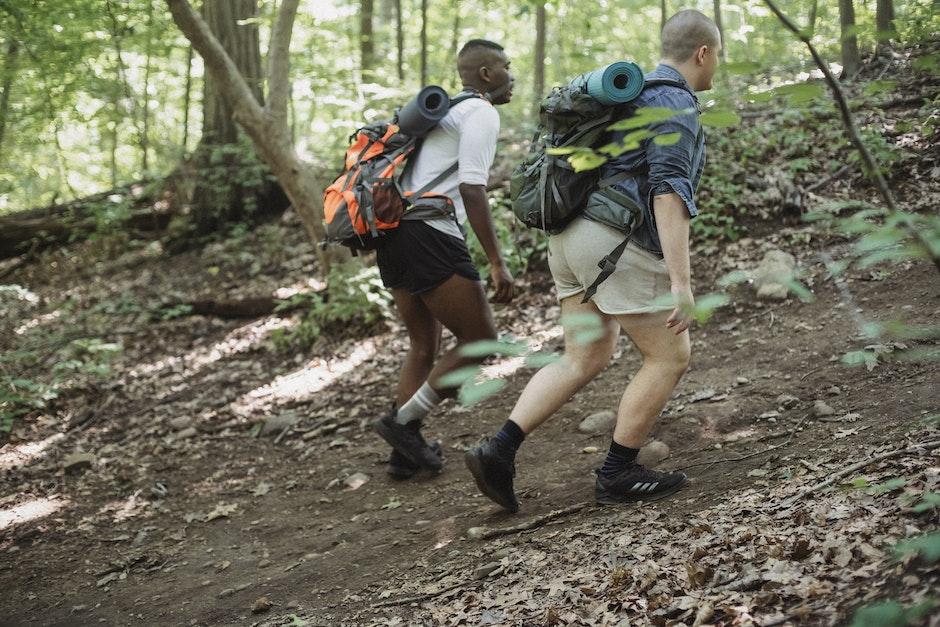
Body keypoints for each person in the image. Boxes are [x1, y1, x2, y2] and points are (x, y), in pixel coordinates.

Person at [465, 10, 721, 511]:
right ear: (703, 53)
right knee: (669, 355)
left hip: (569, 240)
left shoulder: (625, 94)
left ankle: (498, 451)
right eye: (718, 57)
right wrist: (681, 283)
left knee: (585, 355)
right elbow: (668, 193)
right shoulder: (673, 101)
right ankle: (618, 471)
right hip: (613, 242)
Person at [372, 39, 516, 478]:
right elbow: (473, 188)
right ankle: (403, 424)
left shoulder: (444, 112)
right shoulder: (480, 112)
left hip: (393, 234)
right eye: (507, 67)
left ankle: (404, 457)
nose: (513, 75)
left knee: (423, 346)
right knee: (480, 341)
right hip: (428, 233)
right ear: (487, 74)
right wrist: (496, 260)